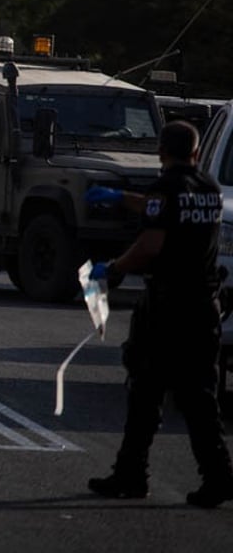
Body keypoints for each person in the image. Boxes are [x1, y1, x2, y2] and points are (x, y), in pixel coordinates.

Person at [85, 120, 233, 508]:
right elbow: (166, 210)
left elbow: (151, 242)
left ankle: (131, 474)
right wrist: (122, 198)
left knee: (145, 390)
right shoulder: (209, 189)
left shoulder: (165, 189)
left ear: (160, 152)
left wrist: (114, 268)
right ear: (196, 153)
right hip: (204, 307)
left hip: (168, 308)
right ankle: (218, 476)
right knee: (201, 397)